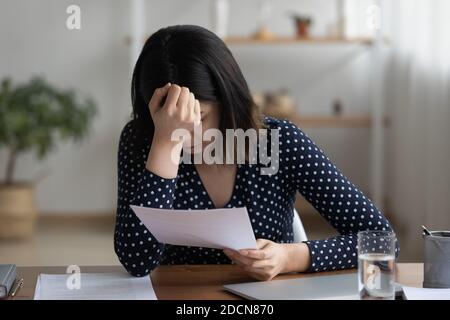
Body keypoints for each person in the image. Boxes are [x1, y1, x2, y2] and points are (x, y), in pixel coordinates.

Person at [114, 25, 399, 281]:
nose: (185, 135)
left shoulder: (278, 140)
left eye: (199, 117)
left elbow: (382, 241)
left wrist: (289, 257)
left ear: (227, 101)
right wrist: (164, 146)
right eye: (170, 122)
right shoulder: (141, 142)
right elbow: (137, 261)